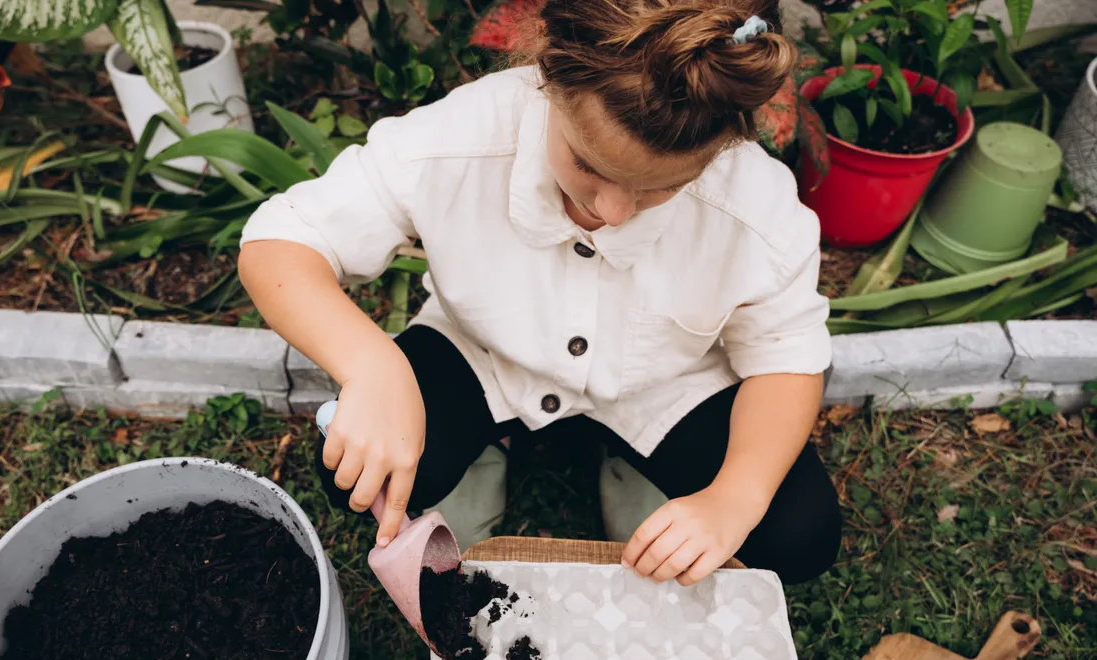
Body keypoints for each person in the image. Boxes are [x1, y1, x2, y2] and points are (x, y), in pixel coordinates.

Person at [238, 0, 842, 586]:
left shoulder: (757, 205)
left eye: (659, 189)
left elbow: (786, 360)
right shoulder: (460, 134)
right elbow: (280, 241)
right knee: (352, 472)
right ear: (549, 78)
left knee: (799, 532)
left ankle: (633, 460)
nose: (612, 211)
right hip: (483, 356)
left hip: (666, 386)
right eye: (589, 167)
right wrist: (374, 368)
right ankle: (485, 447)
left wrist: (732, 497)